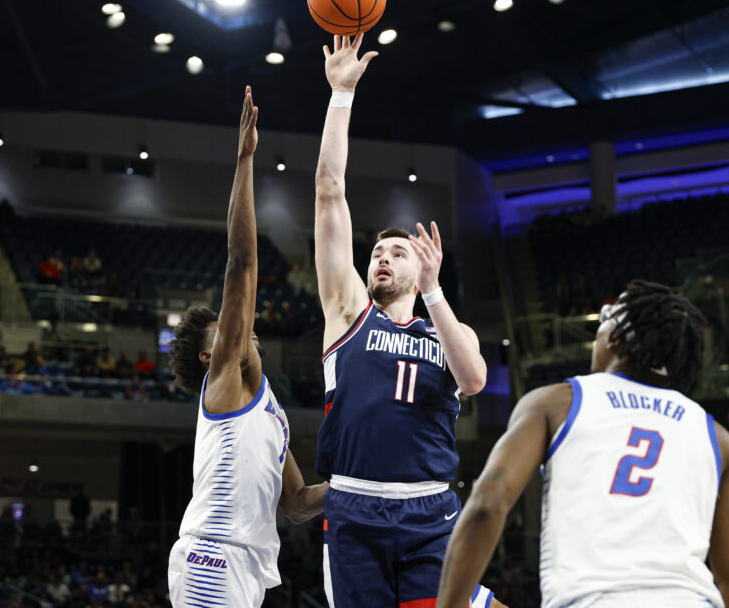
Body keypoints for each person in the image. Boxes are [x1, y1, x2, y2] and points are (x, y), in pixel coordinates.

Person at [313, 34, 498, 608]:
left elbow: (473, 382)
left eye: (398, 252)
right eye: (377, 253)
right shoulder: (348, 311)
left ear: (422, 267)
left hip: (432, 509)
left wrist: (435, 289)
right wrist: (341, 95)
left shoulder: (448, 330)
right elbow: (328, 192)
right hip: (354, 504)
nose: (382, 257)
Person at [436, 280, 729, 608]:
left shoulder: (556, 403)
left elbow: (488, 503)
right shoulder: (716, 437)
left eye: (603, 324)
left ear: (616, 339)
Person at [167, 87, 327, 607]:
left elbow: (300, 504)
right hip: (212, 555)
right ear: (207, 358)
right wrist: (245, 159)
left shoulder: (273, 415)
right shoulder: (223, 387)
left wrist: (373, 485)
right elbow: (241, 263)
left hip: (249, 567)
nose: (240, 329)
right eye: (224, 330)